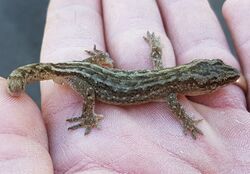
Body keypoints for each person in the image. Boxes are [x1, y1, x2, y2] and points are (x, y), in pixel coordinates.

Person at [0, 0, 249, 173]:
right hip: (86, 77)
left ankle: (99, 63)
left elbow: (158, 62)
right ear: (193, 78)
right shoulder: (172, 91)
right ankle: (87, 113)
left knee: (99, 69)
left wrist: (154, 45)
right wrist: (186, 122)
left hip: (93, 70)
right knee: (88, 91)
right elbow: (177, 108)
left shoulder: (168, 80)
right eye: (214, 82)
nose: (220, 83)